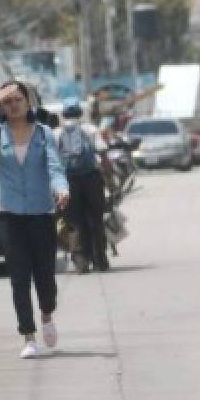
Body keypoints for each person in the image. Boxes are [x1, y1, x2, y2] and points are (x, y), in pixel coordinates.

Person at [0, 81, 70, 359]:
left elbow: (55, 167)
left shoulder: (44, 134)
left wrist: (62, 189)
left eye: (17, 100)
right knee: (19, 277)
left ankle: (46, 314)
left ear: (28, 103)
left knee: (45, 278)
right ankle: (28, 335)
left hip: (41, 214)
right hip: (7, 215)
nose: (13, 105)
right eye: (7, 101)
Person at [58, 102, 110, 273]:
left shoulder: (56, 133)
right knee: (96, 219)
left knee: (73, 222)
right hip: (91, 179)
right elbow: (102, 152)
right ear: (80, 114)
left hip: (68, 181)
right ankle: (100, 259)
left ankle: (81, 259)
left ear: (63, 115)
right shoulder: (91, 129)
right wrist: (108, 175)